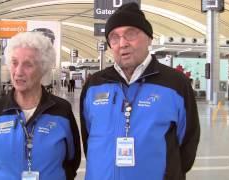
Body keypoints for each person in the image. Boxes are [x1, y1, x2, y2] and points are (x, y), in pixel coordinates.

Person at [80, 3, 200, 180]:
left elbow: (188, 142)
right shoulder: (94, 84)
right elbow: (88, 137)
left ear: (149, 38)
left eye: (130, 34)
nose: (122, 43)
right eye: (114, 37)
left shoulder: (175, 84)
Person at [0, 32, 81, 180]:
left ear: (43, 68)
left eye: (28, 64)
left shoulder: (61, 110)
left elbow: (72, 160)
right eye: (14, 63)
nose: (18, 72)